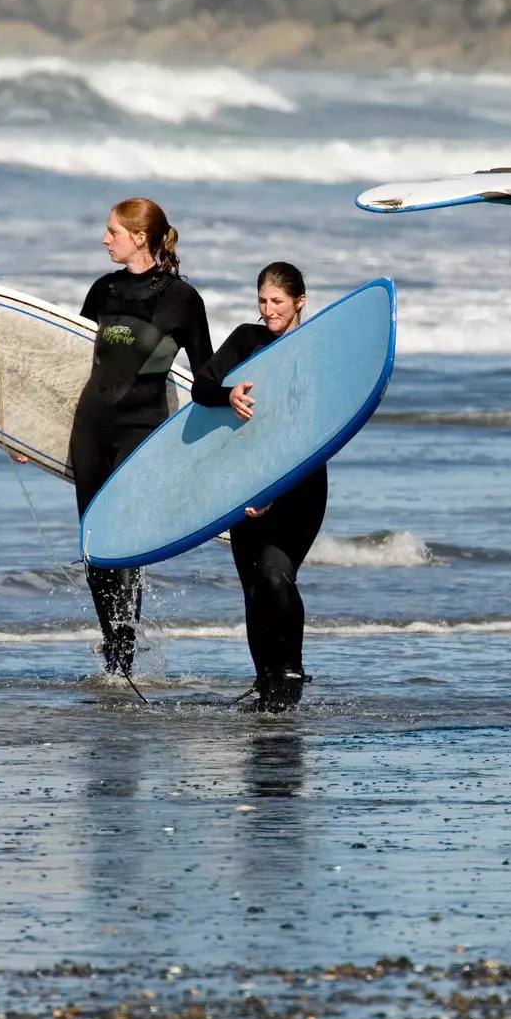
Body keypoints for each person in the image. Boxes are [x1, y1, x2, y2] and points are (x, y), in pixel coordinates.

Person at [69, 197, 215, 679]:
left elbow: (207, 378)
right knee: (94, 544)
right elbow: (70, 365)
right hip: (92, 429)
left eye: (112, 230)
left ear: (139, 237)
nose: (104, 238)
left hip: (142, 431)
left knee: (123, 541)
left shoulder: (181, 299)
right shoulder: (103, 290)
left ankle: (125, 644)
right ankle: (114, 646)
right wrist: (28, 435)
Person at [193, 262, 325, 709]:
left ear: (300, 302)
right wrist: (228, 394)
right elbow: (202, 386)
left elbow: (318, 432)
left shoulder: (315, 349)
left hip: (300, 483)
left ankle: (290, 674)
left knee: (275, 575)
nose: (269, 310)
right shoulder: (248, 339)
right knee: (252, 586)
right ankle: (266, 682)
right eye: (263, 301)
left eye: (278, 302)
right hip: (247, 479)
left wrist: (275, 491)